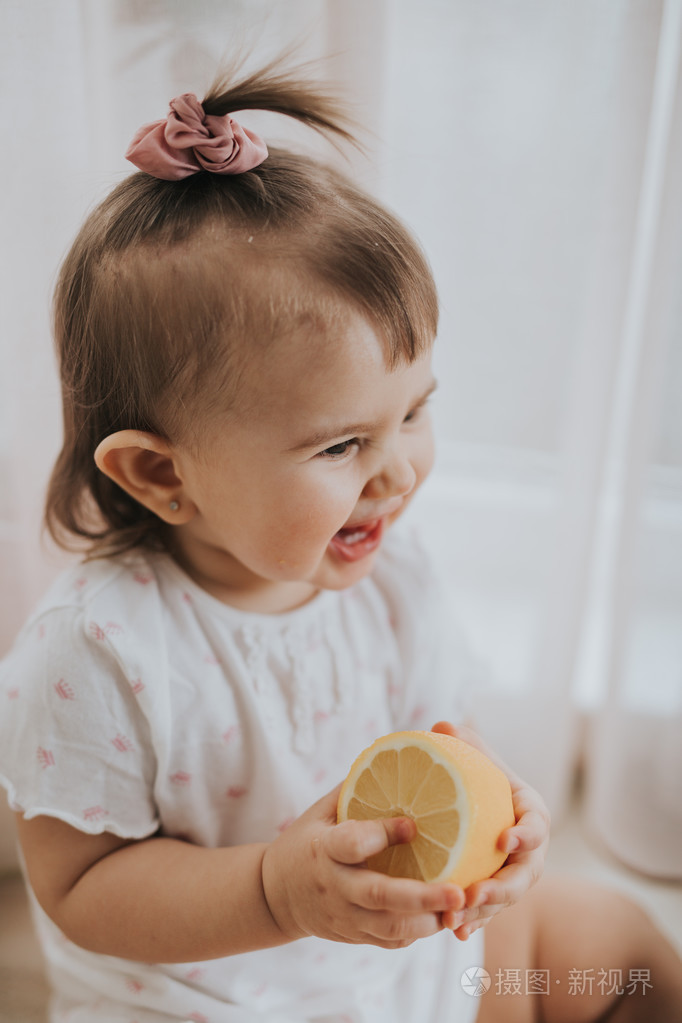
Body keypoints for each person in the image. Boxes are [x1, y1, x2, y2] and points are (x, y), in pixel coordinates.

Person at [0, 58, 680, 1023]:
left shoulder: (391, 574)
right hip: (215, 999)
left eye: (412, 414)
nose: (397, 469)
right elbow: (82, 891)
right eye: (341, 443)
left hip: (405, 968)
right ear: (163, 475)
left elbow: (444, 742)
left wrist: (504, 823)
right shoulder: (93, 653)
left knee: (619, 949)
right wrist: (277, 890)